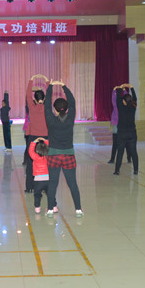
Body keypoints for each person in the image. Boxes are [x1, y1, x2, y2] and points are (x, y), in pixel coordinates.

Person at [44, 80, 82, 218]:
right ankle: (78, 210)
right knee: (72, 184)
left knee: (52, 183)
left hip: (53, 155)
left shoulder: (50, 119)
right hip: (68, 155)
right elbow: (73, 102)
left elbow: (46, 104)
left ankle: (50, 209)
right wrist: (64, 86)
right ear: (66, 109)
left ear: (54, 109)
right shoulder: (70, 118)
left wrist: (50, 87)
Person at [25, 74, 49, 193]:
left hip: (33, 139)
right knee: (46, 162)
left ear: (34, 99)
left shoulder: (32, 107)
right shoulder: (47, 107)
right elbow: (50, 95)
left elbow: (27, 95)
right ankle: (45, 187)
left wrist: (32, 79)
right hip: (45, 139)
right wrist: (46, 81)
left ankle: (30, 187)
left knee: (31, 163)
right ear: (44, 99)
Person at [113, 84, 139, 175]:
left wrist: (120, 87)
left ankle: (117, 170)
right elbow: (135, 98)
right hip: (132, 133)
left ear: (124, 101)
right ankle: (136, 170)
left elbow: (118, 98)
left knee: (120, 152)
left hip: (122, 133)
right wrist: (131, 87)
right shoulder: (133, 107)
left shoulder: (121, 107)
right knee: (133, 152)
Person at [28, 137, 49, 213]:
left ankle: (37, 208)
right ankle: (54, 207)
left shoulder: (35, 157)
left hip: (38, 180)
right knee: (50, 194)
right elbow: (51, 147)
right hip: (48, 179)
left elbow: (30, 151)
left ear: (37, 150)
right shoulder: (48, 157)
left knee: (37, 195)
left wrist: (34, 142)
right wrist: (46, 141)